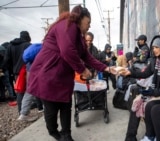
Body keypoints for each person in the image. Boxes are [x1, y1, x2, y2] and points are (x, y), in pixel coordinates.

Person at [26, 5, 117, 141]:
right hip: (48, 74)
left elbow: (88, 57)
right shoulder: (67, 25)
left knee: (66, 105)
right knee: (51, 109)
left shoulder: (79, 36)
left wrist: (107, 68)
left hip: (63, 77)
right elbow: (67, 51)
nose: (89, 26)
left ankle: (67, 135)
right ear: (80, 17)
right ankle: (54, 132)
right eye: (88, 22)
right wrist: (83, 70)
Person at [120, 34, 160, 141]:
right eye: (153, 47)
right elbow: (145, 73)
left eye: (157, 47)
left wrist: (154, 92)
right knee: (136, 103)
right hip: (154, 91)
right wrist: (129, 72)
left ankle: (150, 135)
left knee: (149, 105)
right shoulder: (154, 60)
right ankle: (130, 137)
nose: (154, 50)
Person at [3, 31, 31, 113]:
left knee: (20, 91)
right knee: (31, 90)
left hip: (16, 72)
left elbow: (6, 60)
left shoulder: (10, 46)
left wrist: (12, 70)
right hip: (27, 71)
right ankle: (27, 112)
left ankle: (20, 111)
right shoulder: (28, 45)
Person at [17, 43, 43, 122]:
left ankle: (23, 114)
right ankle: (49, 110)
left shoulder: (34, 51)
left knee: (29, 91)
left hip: (29, 71)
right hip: (38, 71)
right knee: (45, 90)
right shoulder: (43, 49)